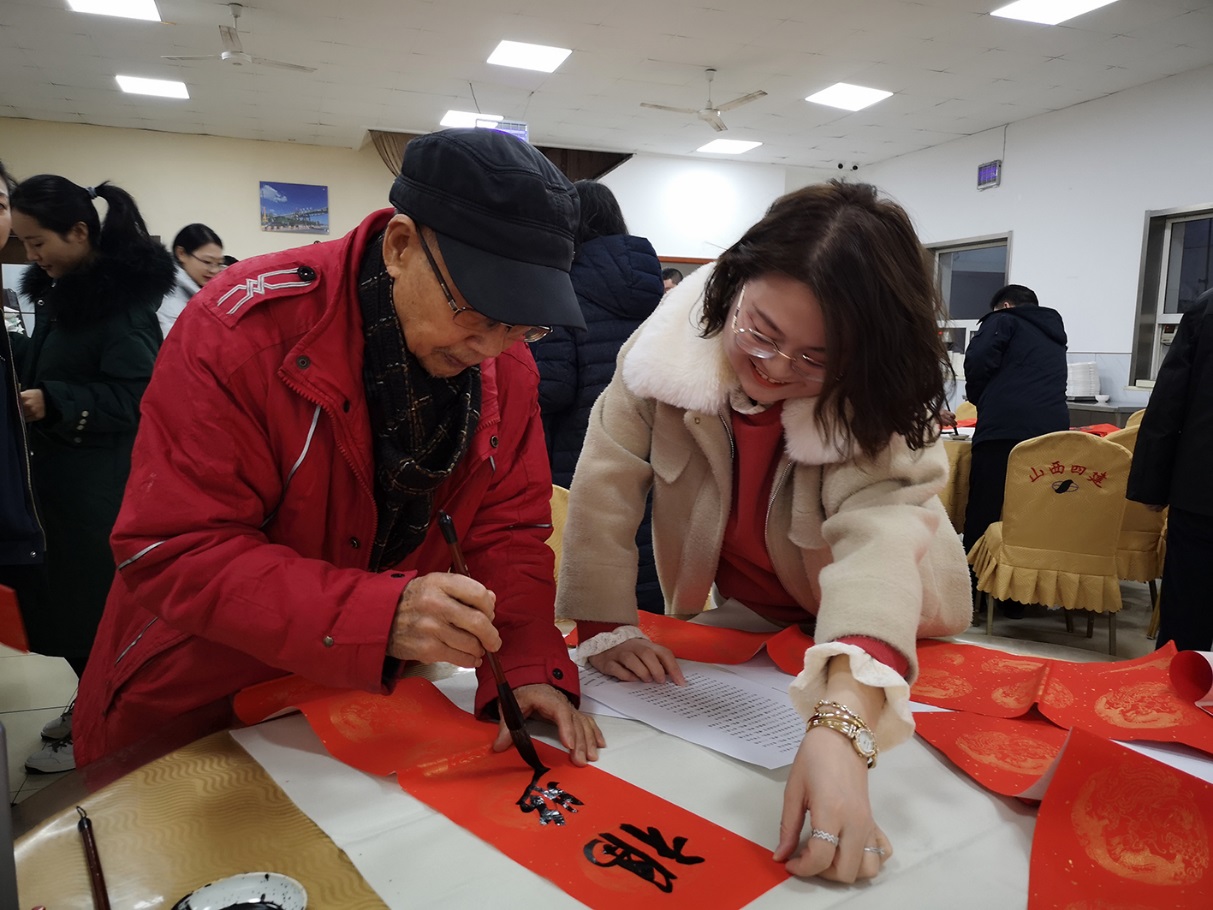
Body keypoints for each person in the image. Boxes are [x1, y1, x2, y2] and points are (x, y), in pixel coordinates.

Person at [73, 128, 605, 771]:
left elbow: (508, 529)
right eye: (478, 314)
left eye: (524, 326)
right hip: (201, 697)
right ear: (401, 247)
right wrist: (375, 617)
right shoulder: (243, 333)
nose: (492, 348)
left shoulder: (506, 365)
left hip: (366, 703)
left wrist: (525, 666)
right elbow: (175, 548)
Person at [555, 181, 971, 884]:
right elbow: (606, 482)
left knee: (930, 789)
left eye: (817, 358)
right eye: (761, 333)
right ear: (733, 287)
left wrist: (843, 724)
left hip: (890, 618)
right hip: (756, 616)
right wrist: (603, 623)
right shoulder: (660, 355)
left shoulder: (878, 399)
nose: (776, 368)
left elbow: (878, 546)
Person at [5, 175, 173, 773]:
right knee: (70, 607)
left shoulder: (120, 309)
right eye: (25, 243)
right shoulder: (62, 295)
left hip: (99, 486)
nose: (31, 255)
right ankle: (93, 704)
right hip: (61, 479)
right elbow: (55, 364)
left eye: (38, 242)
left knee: (93, 611)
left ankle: (107, 724)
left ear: (79, 232)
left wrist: (55, 401)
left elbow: (141, 397)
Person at [532, 180, 665, 612]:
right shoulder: (656, 293)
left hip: (581, 453)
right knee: (646, 555)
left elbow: (551, 387)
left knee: (593, 565)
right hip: (654, 450)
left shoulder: (560, 290)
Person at [961, 284, 1068, 617]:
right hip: (1051, 435)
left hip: (1004, 429)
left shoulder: (1003, 320)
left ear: (1005, 305)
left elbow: (977, 361)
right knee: (1031, 514)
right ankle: (1018, 598)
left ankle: (974, 595)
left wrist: (982, 399)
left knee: (986, 509)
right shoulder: (1053, 333)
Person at [1126, 286, 1213, 651]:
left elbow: (1169, 401)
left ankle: (1179, 680)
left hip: (1202, 486)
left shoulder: (1207, 306)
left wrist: (1153, 485)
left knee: (1188, 609)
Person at [159, 223, 224, 336]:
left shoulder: (203, 292)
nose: (214, 270)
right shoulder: (168, 299)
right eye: (207, 262)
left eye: (219, 264)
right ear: (181, 253)